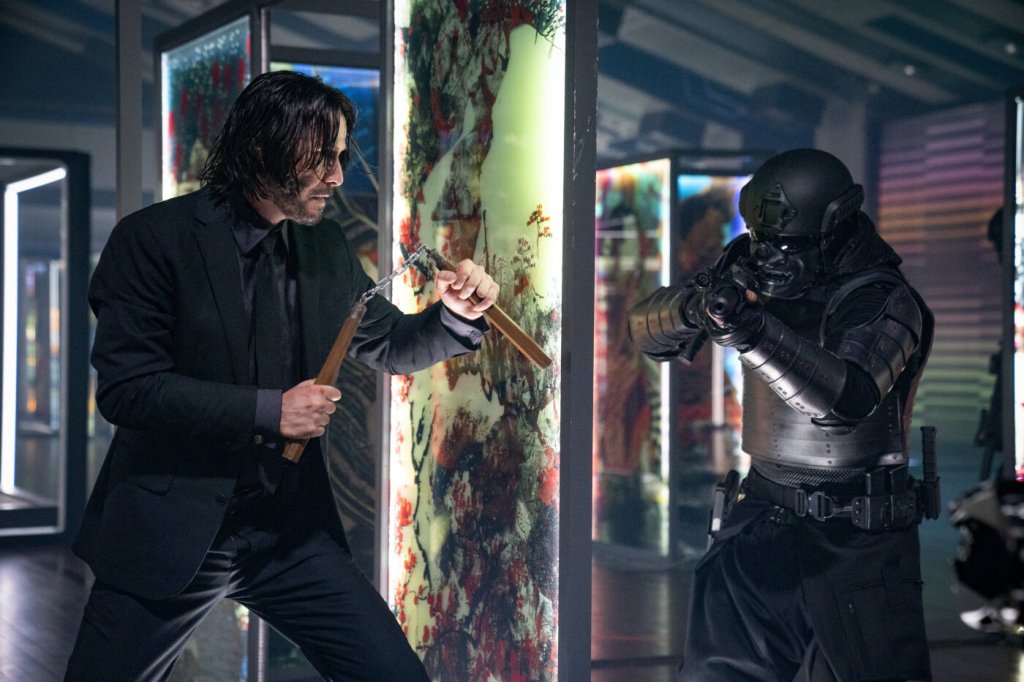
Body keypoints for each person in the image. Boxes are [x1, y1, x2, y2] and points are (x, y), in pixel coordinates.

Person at [65, 70, 498, 681]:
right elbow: (128, 390)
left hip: (289, 534)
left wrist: (455, 314)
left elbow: (392, 345)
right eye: (321, 158)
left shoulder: (325, 247)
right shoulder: (153, 240)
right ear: (261, 149)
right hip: (172, 529)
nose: (337, 176)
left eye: (341, 156)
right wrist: (271, 411)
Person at [629, 148, 935, 681]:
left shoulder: (882, 296)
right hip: (761, 517)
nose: (770, 255)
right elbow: (646, 335)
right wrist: (697, 307)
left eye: (785, 244)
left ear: (835, 228)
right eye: (760, 238)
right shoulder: (751, 259)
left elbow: (847, 400)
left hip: (858, 539)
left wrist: (753, 332)